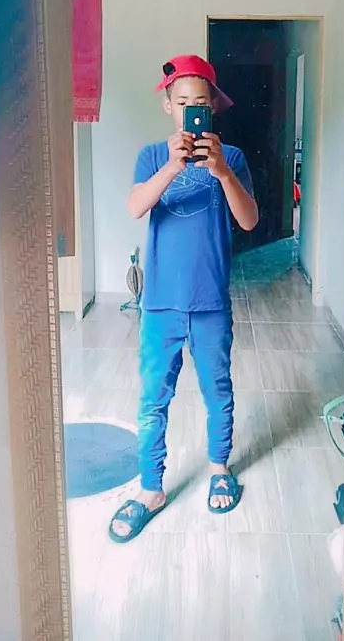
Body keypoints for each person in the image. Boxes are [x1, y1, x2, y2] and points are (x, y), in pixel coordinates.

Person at [109, 55, 258, 544]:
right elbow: (135, 207)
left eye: (201, 103)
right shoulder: (153, 156)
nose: (192, 111)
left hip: (210, 301)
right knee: (154, 399)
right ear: (169, 107)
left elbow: (249, 220)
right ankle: (152, 489)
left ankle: (219, 468)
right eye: (183, 102)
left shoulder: (231, 157)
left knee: (218, 390)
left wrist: (223, 173)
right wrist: (174, 166)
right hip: (160, 306)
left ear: (212, 107)